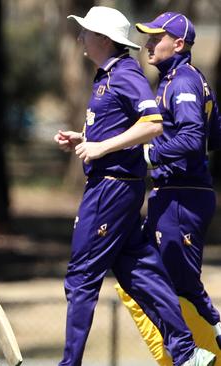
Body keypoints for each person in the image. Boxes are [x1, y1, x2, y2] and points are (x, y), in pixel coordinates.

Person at [54, 6, 216, 366]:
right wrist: (84, 138)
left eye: (86, 32)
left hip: (114, 190)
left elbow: (153, 124)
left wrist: (103, 148)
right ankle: (187, 351)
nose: (80, 37)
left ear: (105, 40)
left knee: (81, 279)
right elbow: (127, 128)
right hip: (118, 185)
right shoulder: (106, 75)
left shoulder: (128, 74)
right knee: (138, 269)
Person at [113, 12, 221, 365]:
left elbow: (194, 137)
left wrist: (152, 154)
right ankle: (201, 341)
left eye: (155, 38)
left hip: (181, 194)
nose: (147, 44)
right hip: (179, 192)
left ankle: (201, 345)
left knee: (175, 281)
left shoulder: (183, 81)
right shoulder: (184, 79)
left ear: (178, 43)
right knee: (161, 275)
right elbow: (215, 134)